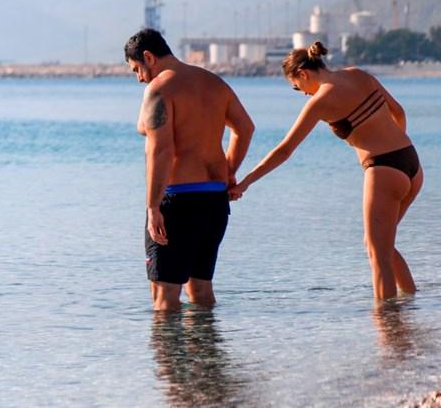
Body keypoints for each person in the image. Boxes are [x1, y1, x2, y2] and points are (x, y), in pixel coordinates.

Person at [230, 42, 423, 300]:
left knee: (378, 254)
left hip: (384, 168)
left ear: (303, 74)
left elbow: (284, 150)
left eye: (297, 88)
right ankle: (410, 304)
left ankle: (386, 321)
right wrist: (396, 152)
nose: (303, 94)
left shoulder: (320, 101)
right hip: (411, 162)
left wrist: (245, 182)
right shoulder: (358, 74)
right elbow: (398, 112)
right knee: (381, 246)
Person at [125, 28, 254, 311]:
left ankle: (168, 344)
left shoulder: (159, 89)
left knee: (164, 300)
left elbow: (161, 149)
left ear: (149, 57)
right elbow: (245, 129)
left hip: (178, 202)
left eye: (137, 69)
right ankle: (207, 343)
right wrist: (229, 171)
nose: (139, 78)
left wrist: (153, 207)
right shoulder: (214, 83)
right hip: (214, 202)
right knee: (201, 291)